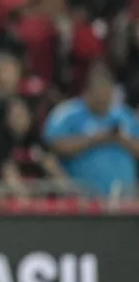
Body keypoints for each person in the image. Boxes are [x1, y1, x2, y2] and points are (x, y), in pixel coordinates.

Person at [43, 64, 139, 197]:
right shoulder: (67, 113)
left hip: (124, 199)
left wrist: (121, 140)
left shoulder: (125, 115)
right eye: (99, 98)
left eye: (107, 98)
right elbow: (54, 146)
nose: (104, 103)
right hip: (83, 201)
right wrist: (95, 139)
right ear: (87, 92)